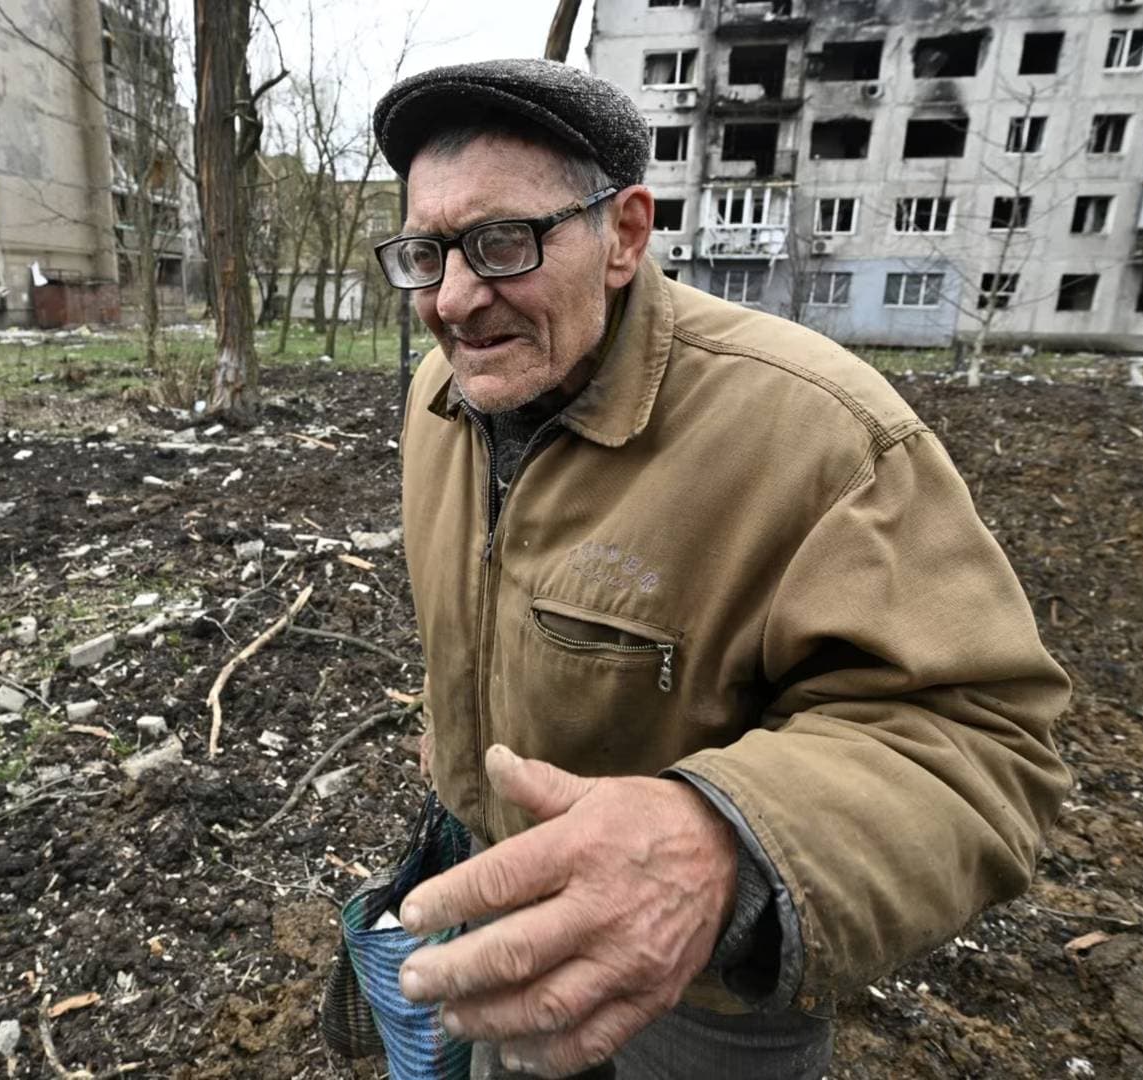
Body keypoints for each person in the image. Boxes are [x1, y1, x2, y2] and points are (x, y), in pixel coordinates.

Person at [370, 59, 1073, 1079]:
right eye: (426, 252)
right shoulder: (443, 396)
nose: (454, 299)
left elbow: (982, 742)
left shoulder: (819, 433)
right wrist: (459, 735)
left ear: (625, 234)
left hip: (707, 996)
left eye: (502, 243)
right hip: (502, 898)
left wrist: (721, 850)